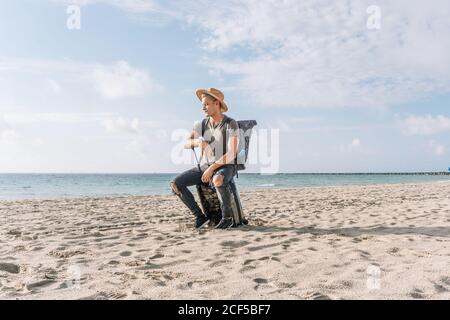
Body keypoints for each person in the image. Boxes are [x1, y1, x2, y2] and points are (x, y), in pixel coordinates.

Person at [170, 88, 240, 230]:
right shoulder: (201, 124)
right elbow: (186, 143)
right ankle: (200, 217)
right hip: (205, 166)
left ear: (217, 103)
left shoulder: (230, 123)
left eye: (206, 104)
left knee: (217, 179)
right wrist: (199, 142)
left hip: (227, 166)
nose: (203, 108)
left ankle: (227, 218)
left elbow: (232, 153)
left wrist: (211, 168)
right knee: (176, 183)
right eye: (202, 105)